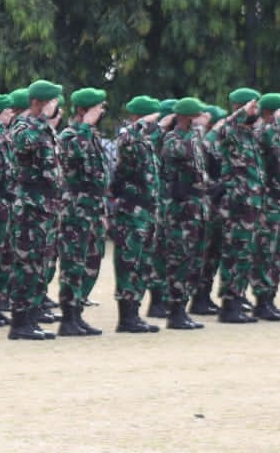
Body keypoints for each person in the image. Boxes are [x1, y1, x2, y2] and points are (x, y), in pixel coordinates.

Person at [6, 79, 64, 341]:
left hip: (47, 206)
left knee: (40, 265)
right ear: (37, 103)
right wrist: (43, 121)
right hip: (30, 205)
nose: (56, 106)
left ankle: (31, 318)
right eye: (51, 102)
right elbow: (23, 145)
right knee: (27, 265)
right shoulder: (23, 124)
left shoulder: (45, 128)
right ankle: (19, 323)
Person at [56, 87, 110, 336]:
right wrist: (86, 129)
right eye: (98, 108)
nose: (102, 112)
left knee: (91, 261)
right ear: (83, 110)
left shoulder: (92, 135)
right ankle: (68, 317)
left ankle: (78, 313)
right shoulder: (70, 135)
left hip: (93, 207)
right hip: (76, 208)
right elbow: (80, 161)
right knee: (73, 263)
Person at [208, 89, 263, 324]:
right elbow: (215, 135)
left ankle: (237, 299)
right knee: (234, 253)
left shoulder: (248, 135)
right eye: (254, 107)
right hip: (237, 204)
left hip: (250, 204)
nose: (257, 111)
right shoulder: (229, 130)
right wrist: (239, 114)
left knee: (245, 254)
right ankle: (229, 305)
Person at [108, 96, 162, 333]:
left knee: (142, 264)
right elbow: (125, 136)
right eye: (152, 118)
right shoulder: (129, 138)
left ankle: (134, 314)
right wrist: (140, 123)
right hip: (131, 212)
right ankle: (126, 317)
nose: (155, 123)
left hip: (146, 212)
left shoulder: (146, 142)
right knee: (129, 263)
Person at [159, 97, 211, 331]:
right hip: (180, 210)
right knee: (179, 259)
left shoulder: (195, 138)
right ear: (187, 118)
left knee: (195, 260)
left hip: (196, 208)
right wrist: (196, 131)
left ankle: (183, 306)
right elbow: (180, 152)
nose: (202, 120)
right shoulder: (173, 139)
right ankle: (175, 311)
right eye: (197, 116)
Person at [252, 93, 280, 322]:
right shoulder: (263, 130)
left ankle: (270, 299)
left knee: (279, 252)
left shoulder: (279, 135)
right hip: (268, 202)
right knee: (266, 251)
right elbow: (263, 136)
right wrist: (274, 120)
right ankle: (261, 302)